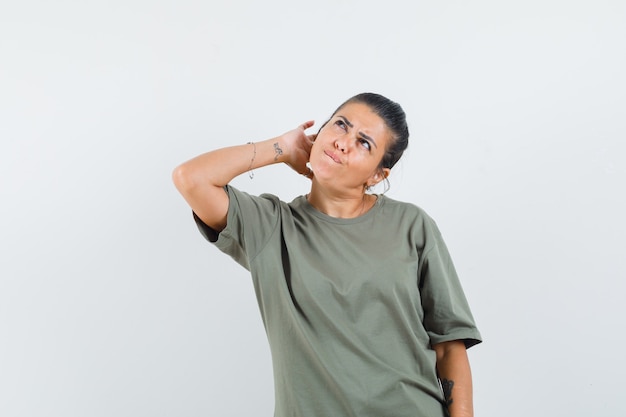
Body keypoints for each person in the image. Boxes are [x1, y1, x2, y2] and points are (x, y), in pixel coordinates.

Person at [172, 93, 482, 417]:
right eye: (340, 125)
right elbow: (191, 178)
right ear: (320, 131)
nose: (343, 143)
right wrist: (281, 148)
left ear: (377, 175)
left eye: (364, 143)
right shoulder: (270, 227)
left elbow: (449, 346)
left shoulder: (412, 226)